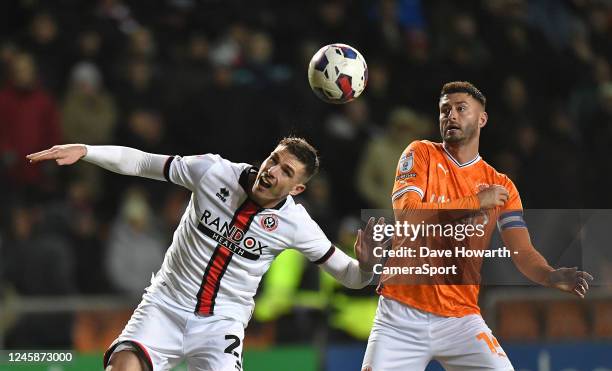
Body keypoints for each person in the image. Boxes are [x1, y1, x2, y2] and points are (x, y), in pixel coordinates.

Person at [27, 137, 381, 371]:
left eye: (285, 171)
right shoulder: (212, 171)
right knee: (123, 366)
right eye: (273, 159)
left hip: (221, 323)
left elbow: (350, 276)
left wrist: (365, 267)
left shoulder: (296, 224)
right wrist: (88, 151)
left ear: (298, 188)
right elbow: (141, 162)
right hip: (164, 305)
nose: (271, 171)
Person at [361, 81, 594, 371]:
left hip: (461, 319)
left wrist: (549, 275)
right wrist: (474, 201)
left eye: (461, 109)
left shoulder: (501, 185)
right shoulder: (420, 154)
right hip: (401, 314)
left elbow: (522, 252)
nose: (452, 116)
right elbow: (406, 215)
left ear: (482, 119)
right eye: (445, 110)